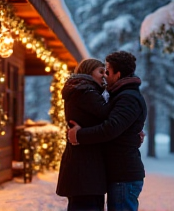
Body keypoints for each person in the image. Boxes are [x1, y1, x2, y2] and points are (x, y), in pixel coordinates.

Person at [68, 51, 147, 211]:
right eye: (102, 72)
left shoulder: (128, 97)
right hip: (118, 174)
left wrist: (78, 135)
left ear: (117, 75)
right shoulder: (120, 95)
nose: (105, 76)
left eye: (108, 71)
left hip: (124, 175)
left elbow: (110, 128)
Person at [56, 58, 111, 211]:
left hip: (82, 167)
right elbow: (108, 114)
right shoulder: (85, 91)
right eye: (101, 71)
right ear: (88, 72)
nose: (104, 76)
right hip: (85, 169)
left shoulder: (81, 90)